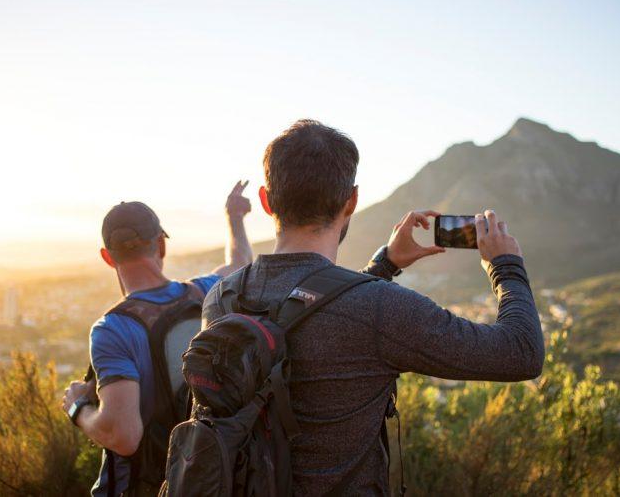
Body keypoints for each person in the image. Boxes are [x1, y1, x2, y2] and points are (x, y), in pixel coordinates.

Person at [201, 120, 544, 495]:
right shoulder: (377, 310)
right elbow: (521, 352)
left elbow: (310, 316)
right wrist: (505, 265)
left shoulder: (222, 298)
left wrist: (386, 265)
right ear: (351, 201)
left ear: (266, 201)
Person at [61, 181, 253, 496]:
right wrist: (234, 216)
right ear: (161, 246)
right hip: (203, 478)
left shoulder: (112, 330)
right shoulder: (205, 294)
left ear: (108, 257)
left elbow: (124, 436)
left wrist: (78, 408)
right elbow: (240, 264)